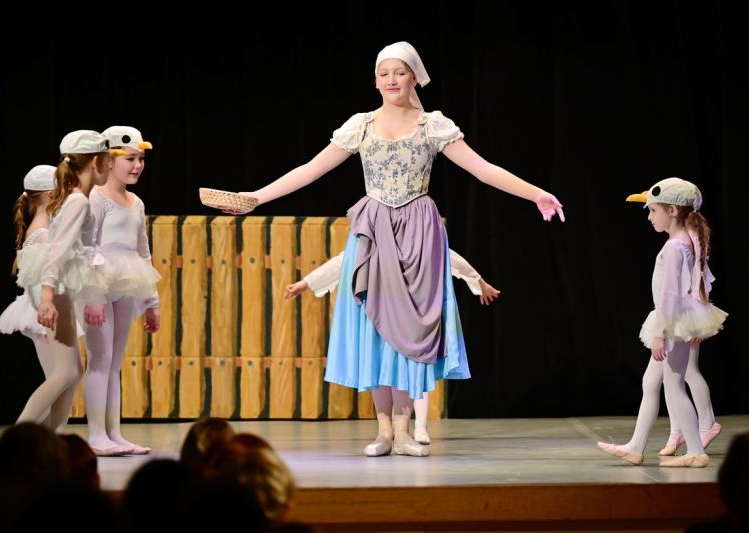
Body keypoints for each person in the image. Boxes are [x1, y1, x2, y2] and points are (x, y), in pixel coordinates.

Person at [214, 41, 564, 457]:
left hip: (418, 231)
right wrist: (256, 196)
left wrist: (536, 194)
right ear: (375, 80)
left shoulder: (432, 125)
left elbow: (483, 169)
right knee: (374, 327)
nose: (392, 80)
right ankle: (383, 431)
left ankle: (404, 430)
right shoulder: (361, 125)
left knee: (411, 327)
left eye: (400, 72)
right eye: (384, 73)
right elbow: (310, 170)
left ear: (414, 77)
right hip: (374, 231)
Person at [284, 247, 500, 445]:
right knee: (383, 371)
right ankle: (387, 431)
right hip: (379, 312)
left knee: (413, 369)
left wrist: (478, 282)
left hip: (409, 311)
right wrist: (306, 283)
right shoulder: (370, 238)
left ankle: (416, 427)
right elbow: (343, 260)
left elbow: (447, 255)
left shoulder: (417, 236)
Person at [598, 178, 727, 467]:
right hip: (676, 320)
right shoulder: (687, 240)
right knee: (651, 381)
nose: (649, 217)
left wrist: (660, 332)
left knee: (674, 385)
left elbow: (669, 294)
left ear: (672, 210)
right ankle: (635, 446)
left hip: (671, 322)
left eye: (653, 210)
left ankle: (695, 452)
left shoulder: (675, 247)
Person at [16, 130, 109, 433]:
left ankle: (49, 440)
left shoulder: (78, 199)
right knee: (65, 372)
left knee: (72, 372)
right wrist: (46, 296)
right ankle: (21, 438)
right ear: (96, 162)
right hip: (55, 289)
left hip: (60, 288)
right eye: (108, 160)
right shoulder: (77, 202)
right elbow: (57, 250)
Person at [82, 126, 160, 456]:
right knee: (99, 360)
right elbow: (87, 246)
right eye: (130, 159)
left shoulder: (135, 202)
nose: (137, 165)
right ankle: (96, 434)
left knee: (115, 362)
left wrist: (152, 301)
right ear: (109, 160)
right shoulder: (96, 198)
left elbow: (143, 250)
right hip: (99, 283)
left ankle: (114, 432)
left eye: (141, 159)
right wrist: (92, 295)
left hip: (128, 281)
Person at [0, 165, 63, 428]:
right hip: (41, 310)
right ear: (50, 195)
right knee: (60, 378)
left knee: (61, 380)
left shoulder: (43, 228)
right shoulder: (42, 233)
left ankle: (48, 438)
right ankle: (23, 435)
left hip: (41, 308)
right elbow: (41, 280)